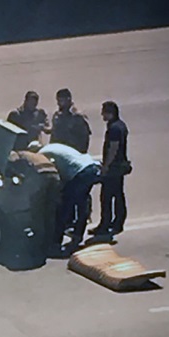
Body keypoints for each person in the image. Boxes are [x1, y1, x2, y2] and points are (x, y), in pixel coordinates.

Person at [37, 143, 101, 251]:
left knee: (63, 208)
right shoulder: (53, 146)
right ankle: (77, 236)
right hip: (91, 167)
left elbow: (52, 174)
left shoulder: (42, 154)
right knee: (82, 203)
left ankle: (56, 243)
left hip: (79, 173)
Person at [5, 149, 61, 259]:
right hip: (54, 177)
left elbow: (12, 167)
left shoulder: (17, 155)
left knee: (38, 212)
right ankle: (48, 245)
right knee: (50, 213)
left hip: (40, 177)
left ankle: (37, 245)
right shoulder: (36, 155)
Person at [90, 101, 130, 236]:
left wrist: (106, 166)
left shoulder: (114, 128)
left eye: (104, 112)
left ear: (110, 113)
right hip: (118, 166)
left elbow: (113, 148)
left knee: (106, 197)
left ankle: (106, 224)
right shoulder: (120, 125)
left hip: (114, 167)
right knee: (118, 195)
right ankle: (117, 223)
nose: (102, 114)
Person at [48, 88, 91, 154]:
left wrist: (81, 154)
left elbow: (85, 138)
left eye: (61, 101)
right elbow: (53, 135)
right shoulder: (57, 116)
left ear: (68, 99)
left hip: (74, 153)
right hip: (59, 153)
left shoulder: (78, 117)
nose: (58, 103)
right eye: (58, 100)